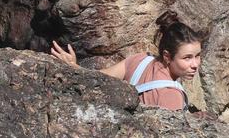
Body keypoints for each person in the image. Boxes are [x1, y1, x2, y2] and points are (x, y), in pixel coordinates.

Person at [49, 11, 202, 111]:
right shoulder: (172, 95)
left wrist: (74, 67)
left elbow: (97, 79)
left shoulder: (140, 60)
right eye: (187, 58)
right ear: (167, 56)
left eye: (197, 56)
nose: (195, 64)